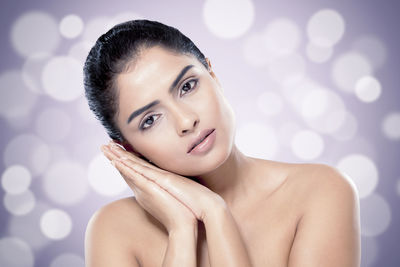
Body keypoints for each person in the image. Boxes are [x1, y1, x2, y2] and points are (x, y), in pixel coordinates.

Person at [83, 19, 361, 267]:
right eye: (150, 119)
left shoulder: (319, 192)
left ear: (212, 75)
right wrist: (182, 228)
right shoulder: (113, 230)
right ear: (129, 149)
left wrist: (215, 213)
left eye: (187, 86)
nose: (186, 121)